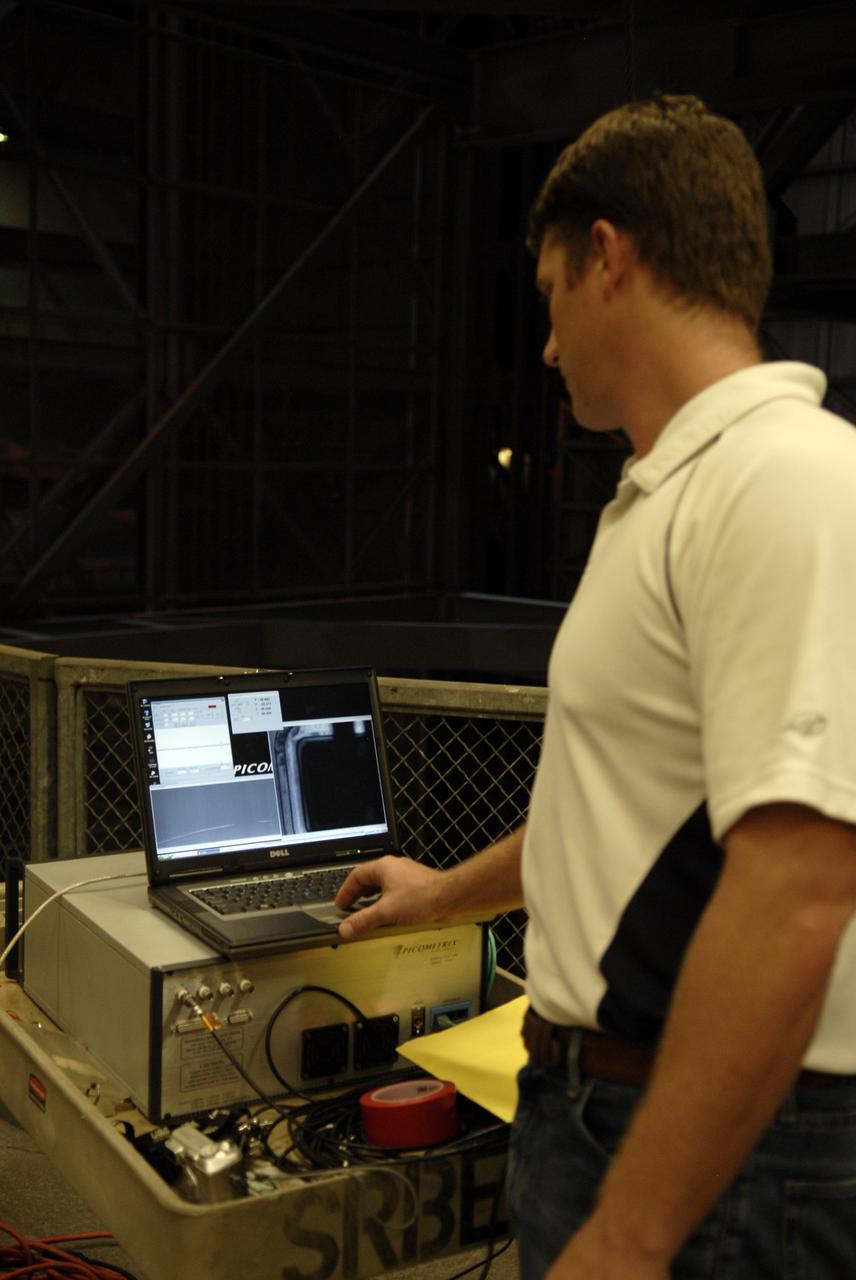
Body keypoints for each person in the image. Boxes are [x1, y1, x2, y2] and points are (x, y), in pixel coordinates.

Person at [335, 93, 856, 1279]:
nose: (549, 345)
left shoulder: (789, 481)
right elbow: (625, 808)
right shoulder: (662, 497)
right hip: (599, 1106)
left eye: (550, 297)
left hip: (717, 1151)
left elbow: (802, 881)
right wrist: (443, 896)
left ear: (606, 257)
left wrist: (633, 1228)